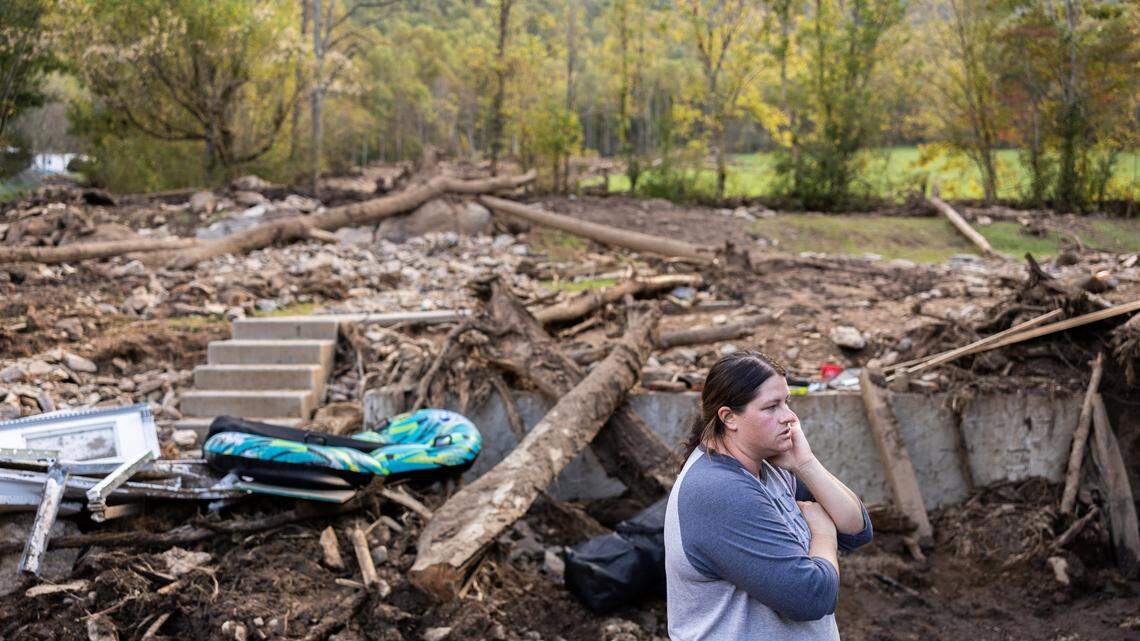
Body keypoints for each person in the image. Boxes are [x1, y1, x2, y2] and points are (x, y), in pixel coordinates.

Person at [665, 351, 873, 640]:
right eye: (771, 407)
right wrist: (824, 536)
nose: (789, 417)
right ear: (729, 418)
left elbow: (856, 529)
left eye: (786, 402)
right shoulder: (719, 491)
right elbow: (812, 596)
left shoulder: (769, 466)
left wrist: (806, 465)